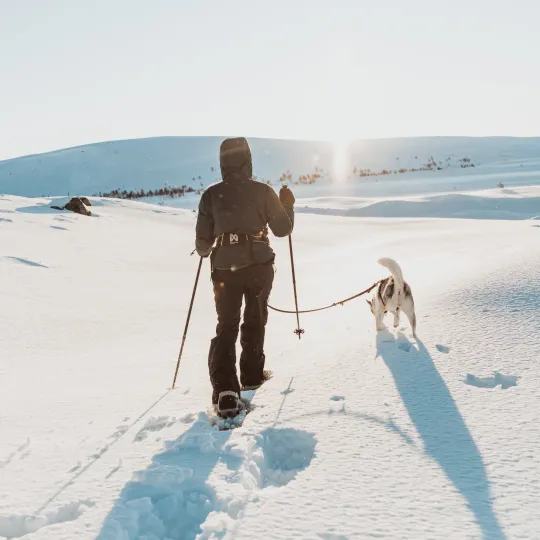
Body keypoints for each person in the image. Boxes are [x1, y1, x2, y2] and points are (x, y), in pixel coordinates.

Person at [195, 137, 295, 418]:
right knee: (255, 317)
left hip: (224, 269)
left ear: (222, 163)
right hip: (259, 265)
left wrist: (208, 244)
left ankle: (226, 390)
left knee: (226, 325)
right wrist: (287, 204)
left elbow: (203, 246)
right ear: (248, 161)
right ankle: (252, 375)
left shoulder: (211, 196)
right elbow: (282, 229)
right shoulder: (263, 192)